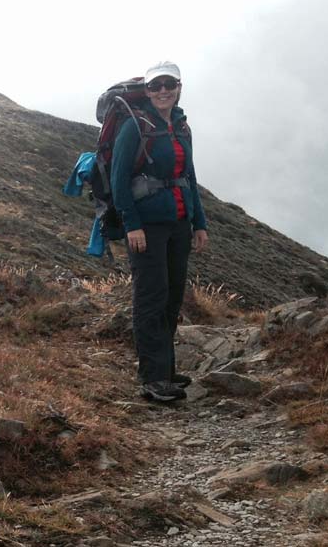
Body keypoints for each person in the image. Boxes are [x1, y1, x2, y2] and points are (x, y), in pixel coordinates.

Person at [110, 61, 209, 402]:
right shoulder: (135, 126)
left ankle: (165, 369)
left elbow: (189, 176)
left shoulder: (182, 127)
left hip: (179, 224)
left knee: (172, 297)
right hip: (147, 226)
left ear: (179, 86)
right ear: (148, 91)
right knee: (150, 298)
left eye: (169, 84)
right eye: (156, 86)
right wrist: (131, 224)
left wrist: (199, 223)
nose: (163, 90)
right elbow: (118, 180)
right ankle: (152, 378)